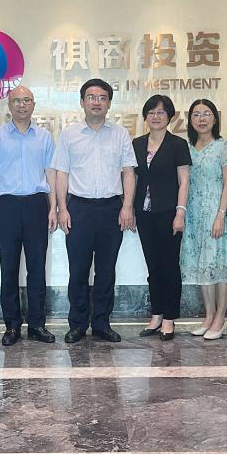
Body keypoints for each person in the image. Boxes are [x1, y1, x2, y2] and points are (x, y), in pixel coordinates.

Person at [53, 78, 136, 343]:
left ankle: (101, 323)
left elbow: (128, 172)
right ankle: (77, 324)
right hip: (79, 208)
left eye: (102, 97)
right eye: (91, 97)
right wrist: (62, 208)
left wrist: (127, 206)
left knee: (106, 270)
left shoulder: (120, 134)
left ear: (109, 103)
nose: (96, 102)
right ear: (82, 102)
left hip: (111, 208)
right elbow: (61, 173)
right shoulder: (69, 134)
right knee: (78, 269)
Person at [0, 85, 58, 346]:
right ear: (9, 105)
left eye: (27, 100)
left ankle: (37, 324)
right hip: (7, 206)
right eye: (17, 100)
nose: (22, 105)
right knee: (9, 267)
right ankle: (11, 325)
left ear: (33, 104)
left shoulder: (44, 137)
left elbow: (51, 173)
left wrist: (53, 207)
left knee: (37, 267)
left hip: (37, 204)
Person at [133, 94, 190, 342]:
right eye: (151, 112)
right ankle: (156, 315)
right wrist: (128, 207)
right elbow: (133, 178)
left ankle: (169, 317)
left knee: (169, 266)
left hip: (169, 213)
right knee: (152, 266)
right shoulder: (137, 144)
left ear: (169, 117)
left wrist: (180, 212)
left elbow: (184, 181)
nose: (156, 116)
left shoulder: (178, 144)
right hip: (144, 213)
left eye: (161, 112)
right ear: (145, 117)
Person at [180, 98, 227, 340]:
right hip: (194, 215)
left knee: (219, 264)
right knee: (202, 265)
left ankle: (220, 318)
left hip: (216, 212)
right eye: (196, 114)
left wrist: (221, 215)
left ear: (215, 118)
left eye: (206, 113)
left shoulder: (223, 146)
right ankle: (209, 315)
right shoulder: (186, 148)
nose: (201, 119)